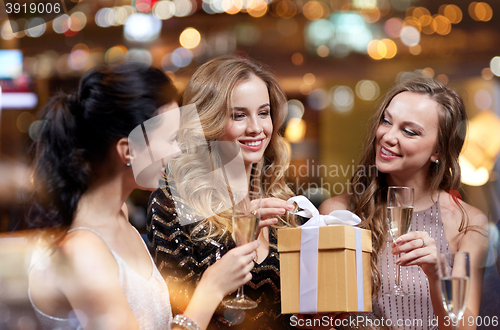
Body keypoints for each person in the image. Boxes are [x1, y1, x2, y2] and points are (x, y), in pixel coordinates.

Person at [27, 62, 260, 330]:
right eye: (171, 139)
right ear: (128, 151)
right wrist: (210, 289)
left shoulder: (119, 215)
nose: (177, 152)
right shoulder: (83, 251)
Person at [319, 74, 489, 330]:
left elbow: (464, 327)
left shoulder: (469, 223)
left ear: (438, 151)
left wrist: (436, 277)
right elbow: (323, 318)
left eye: (409, 131)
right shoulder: (340, 213)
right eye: (386, 121)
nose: (388, 136)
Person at [147, 55, 298, 329]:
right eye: (238, 115)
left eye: (263, 113)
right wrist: (233, 245)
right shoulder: (173, 204)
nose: (256, 128)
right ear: (208, 123)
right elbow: (175, 316)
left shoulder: (281, 201)